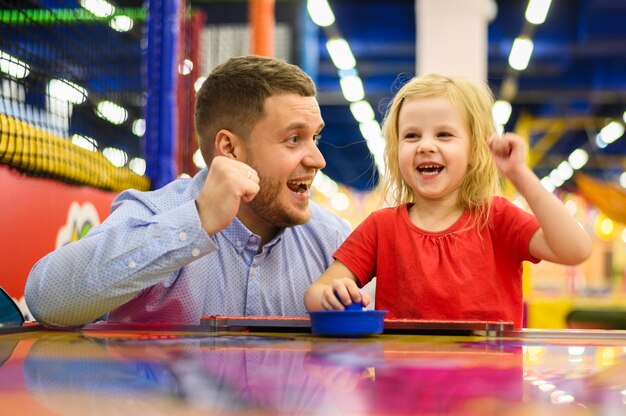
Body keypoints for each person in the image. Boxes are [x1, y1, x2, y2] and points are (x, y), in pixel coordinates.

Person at [25, 55, 350, 327]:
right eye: (294, 139)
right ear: (230, 148)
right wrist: (197, 221)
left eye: (315, 138)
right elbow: (47, 301)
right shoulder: (155, 213)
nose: (318, 160)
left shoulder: (331, 239)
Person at [304, 73, 592, 329]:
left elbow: (575, 250)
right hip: (406, 384)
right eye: (411, 136)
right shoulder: (382, 227)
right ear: (395, 151)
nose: (426, 145)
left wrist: (520, 175)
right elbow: (315, 293)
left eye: (444, 135)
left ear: (475, 150)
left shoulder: (497, 218)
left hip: (489, 385)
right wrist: (331, 294)